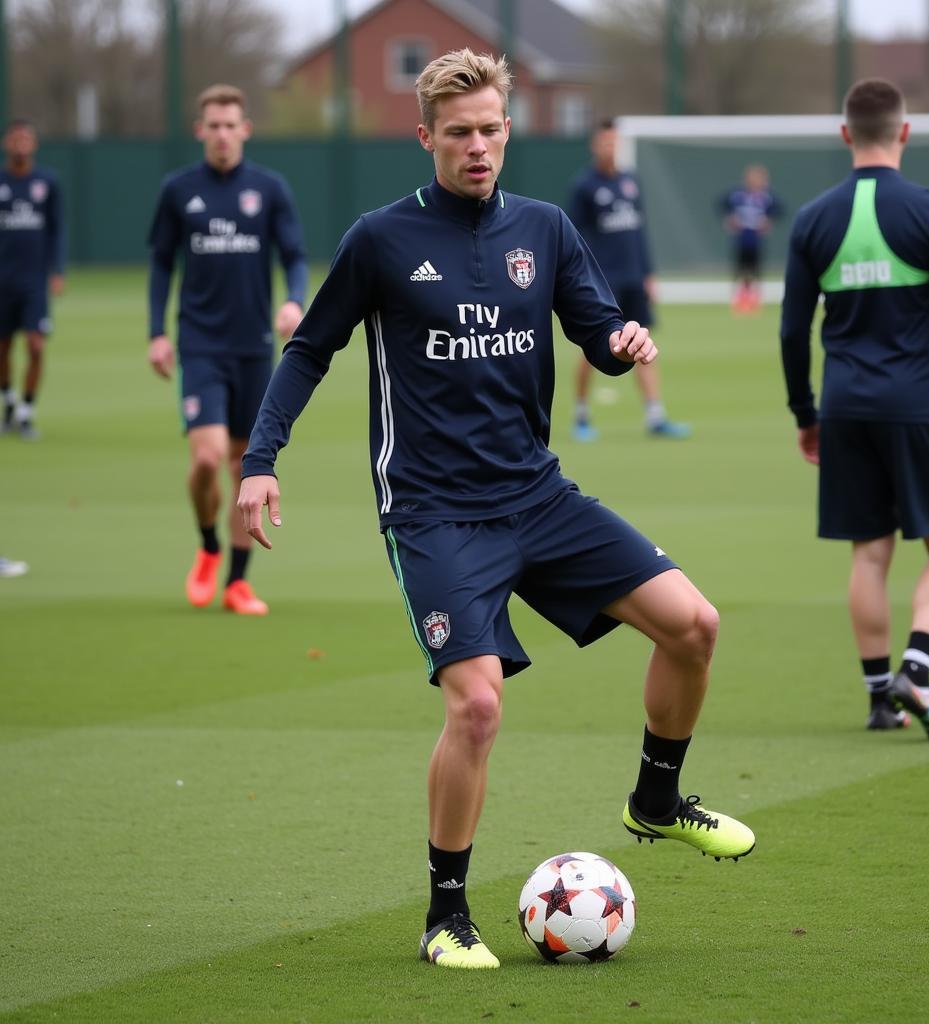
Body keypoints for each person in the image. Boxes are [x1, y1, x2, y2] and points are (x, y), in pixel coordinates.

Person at [238, 49, 754, 971]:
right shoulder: (380, 239)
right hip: (434, 515)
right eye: (460, 133)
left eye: (491, 130)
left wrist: (622, 340)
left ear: (508, 129)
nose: (478, 148)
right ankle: (446, 914)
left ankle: (656, 800)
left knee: (695, 625)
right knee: (476, 708)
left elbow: (595, 333)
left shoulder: (548, 229)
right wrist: (261, 460)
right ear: (426, 135)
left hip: (539, 497)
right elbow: (309, 349)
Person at [780, 78, 929, 738]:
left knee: (869, 554)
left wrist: (806, 413)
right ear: (904, 132)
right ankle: (919, 665)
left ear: (845, 134)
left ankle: (882, 699)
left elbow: (793, 330)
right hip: (915, 409)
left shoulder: (813, 219)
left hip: (845, 412)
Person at [148, 84, 307, 615]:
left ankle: (238, 583)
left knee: (244, 465)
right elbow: (160, 265)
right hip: (199, 344)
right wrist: (156, 332)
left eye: (229, 124)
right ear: (200, 131)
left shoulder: (269, 189)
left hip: (253, 347)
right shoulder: (178, 191)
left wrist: (293, 301)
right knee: (208, 458)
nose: (221, 134)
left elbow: (294, 254)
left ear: (245, 130)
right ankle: (209, 545)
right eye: (211, 125)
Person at [566, 119, 690, 441]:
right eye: (604, 142)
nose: (610, 148)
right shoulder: (584, 187)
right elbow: (574, 238)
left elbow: (638, 233)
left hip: (634, 279)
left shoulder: (631, 182)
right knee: (593, 347)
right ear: (596, 145)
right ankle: (581, 415)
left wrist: (647, 273)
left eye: (614, 142)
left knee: (643, 342)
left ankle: (655, 415)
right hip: (603, 282)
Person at [0, 118, 65, 441]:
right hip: (2, 281)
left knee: (36, 346)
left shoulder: (47, 183)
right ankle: (8, 400)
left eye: (26, 138)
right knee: (3, 347)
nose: (20, 144)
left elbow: (57, 230)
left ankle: (25, 412)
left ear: (34, 144)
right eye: (15, 139)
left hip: (33, 281)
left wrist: (57, 271)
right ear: (6, 144)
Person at [721, 164, 779, 313]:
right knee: (740, 270)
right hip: (741, 239)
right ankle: (739, 300)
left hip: (756, 240)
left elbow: (778, 210)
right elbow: (722, 205)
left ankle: (754, 300)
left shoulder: (766, 197)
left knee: (755, 271)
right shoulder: (738, 195)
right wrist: (730, 219)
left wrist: (768, 222)